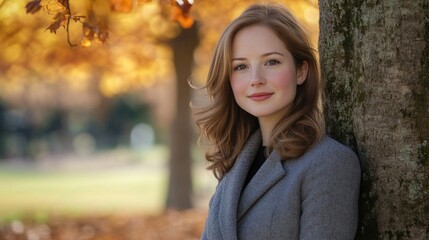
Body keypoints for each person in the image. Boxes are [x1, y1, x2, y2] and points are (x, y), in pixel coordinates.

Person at [192, 3, 361, 240]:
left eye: (271, 62)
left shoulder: (330, 163)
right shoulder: (234, 164)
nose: (255, 79)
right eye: (241, 66)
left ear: (301, 70)